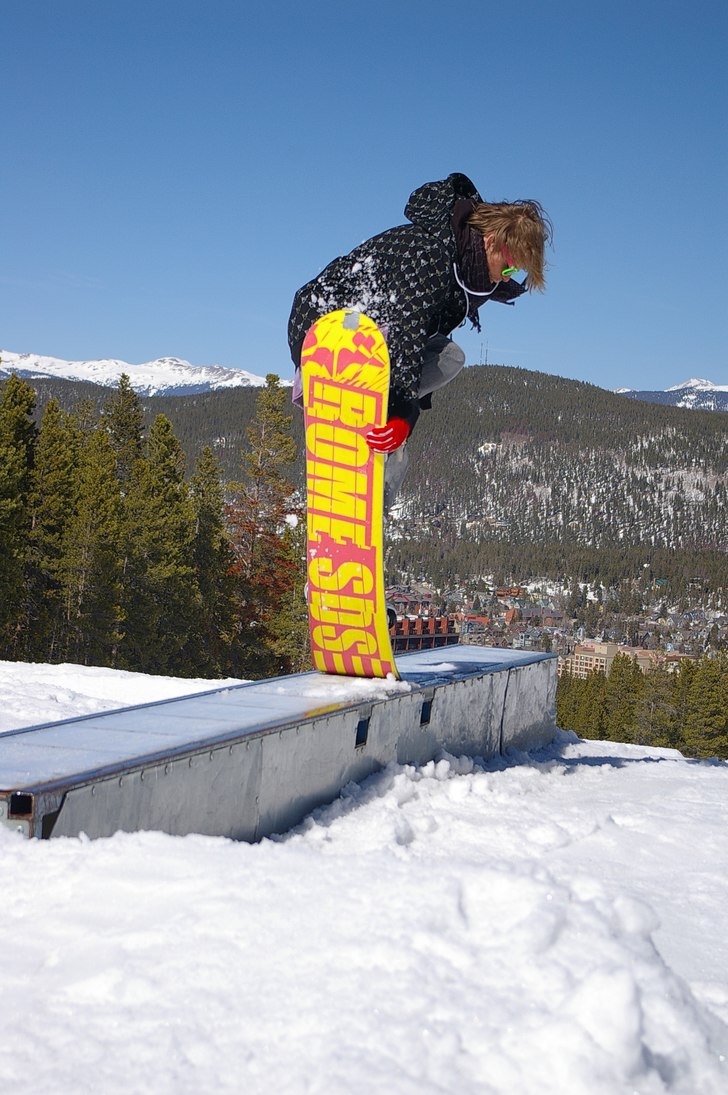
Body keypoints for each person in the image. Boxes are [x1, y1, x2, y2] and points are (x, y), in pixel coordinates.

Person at [287, 172, 552, 509]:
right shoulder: (430, 253)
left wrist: (404, 415)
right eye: (512, 266)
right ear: (491, 241)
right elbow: (405, 330)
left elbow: (418, 341)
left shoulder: (459, 274)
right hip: (331, 321)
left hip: (376, 337)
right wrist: (400, 410)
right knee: (403, 401)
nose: (506, 277)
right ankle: (363, 415)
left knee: (450, 356)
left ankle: (374, 498)